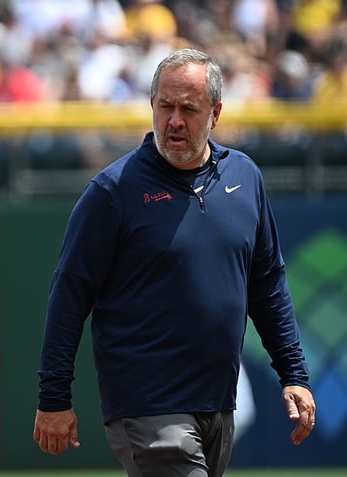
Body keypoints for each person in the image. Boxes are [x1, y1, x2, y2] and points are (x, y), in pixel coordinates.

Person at [32, 48, 316, 476]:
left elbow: (267, 283)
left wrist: (294, 373)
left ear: (216, 113)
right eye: (165, 106)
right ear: (151, 105)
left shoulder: (244, 176)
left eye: (189, 108)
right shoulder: (113, 191)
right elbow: (69, 296)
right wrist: (54, 398)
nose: (175, 121)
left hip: (218, 402)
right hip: (148, 405)